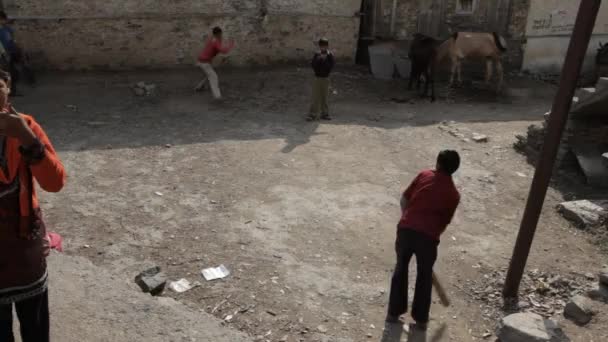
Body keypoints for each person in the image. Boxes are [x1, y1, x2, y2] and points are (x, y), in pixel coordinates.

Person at [0, 70, 66, 342]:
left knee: (35, 327)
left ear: (8, 91)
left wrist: (28, 139)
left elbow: (54, 182)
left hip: (24, 245)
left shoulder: (26, 126)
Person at [381, 150, 461, 340]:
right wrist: (431, 236)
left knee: (400, 269)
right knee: (424, 276)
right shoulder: (454, 195)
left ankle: (393, 314)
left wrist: (407, 220)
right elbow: (444, 222)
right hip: (428, 238)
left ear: (438, 163)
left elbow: (404, 199)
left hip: (406, 230)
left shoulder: (425, 175)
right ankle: (421, 320)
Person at [195, 26, 235, 100]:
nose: (221, 35)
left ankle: (199, 87)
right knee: (213, 77)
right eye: (220, 34)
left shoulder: (213, 39)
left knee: (209, 74)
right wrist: (231, 45)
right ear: (218, 34)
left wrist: (223, 56)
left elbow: (215, 49)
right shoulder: (216, 41)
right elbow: (223, 50)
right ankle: (217, 96)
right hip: (204, 62)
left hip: (202, 61)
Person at [307, 38, 335, 121]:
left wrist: (325, 60)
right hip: (317, 78)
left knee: (324, 97)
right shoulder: (317, 54)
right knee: (315, 97)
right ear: (319, 46)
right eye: (322, 46)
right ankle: (312, 114)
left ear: (327, 46)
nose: (323, 48)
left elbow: (331, 67)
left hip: (326, 79)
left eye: (325, 46)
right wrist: (320, 59)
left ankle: (325, 114)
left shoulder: (330, 55)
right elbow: (313, 65)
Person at [0, 12, 20, 96]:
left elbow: (11, 40)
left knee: (13, 72)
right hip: (4, 54)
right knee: (6, 74)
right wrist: (4, 53)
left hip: (9, 52)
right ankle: (6, 93)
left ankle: (11, 91)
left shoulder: (6, 28)